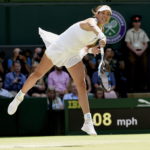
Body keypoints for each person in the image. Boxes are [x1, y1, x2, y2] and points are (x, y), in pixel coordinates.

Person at [7, 5, 112, 135]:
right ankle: (19, 97)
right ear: (97, 13)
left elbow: (84, 48)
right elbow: (94, 28)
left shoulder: (99, 32)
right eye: (103, 13)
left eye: (108, 14)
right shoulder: (91, 22)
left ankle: (87, 121)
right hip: (59, 48)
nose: (105, 16)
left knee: (81, 84)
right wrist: (102, 37)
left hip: (73, 54)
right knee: (37, 74)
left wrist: (91, 49)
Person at [125, 15, 149, 92]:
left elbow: (146, 44)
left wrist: (141, 51)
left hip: (142, 52)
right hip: (133, 52)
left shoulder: (142, 32)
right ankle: (132, 86)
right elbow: (128, 44)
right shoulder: (129, 32)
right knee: (132, 66)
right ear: (133, 23)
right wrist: (135, 51)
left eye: (138, 22)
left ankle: (144, 86)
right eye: (135, 22)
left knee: (144, 66)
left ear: (140, 23)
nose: (137, 23)